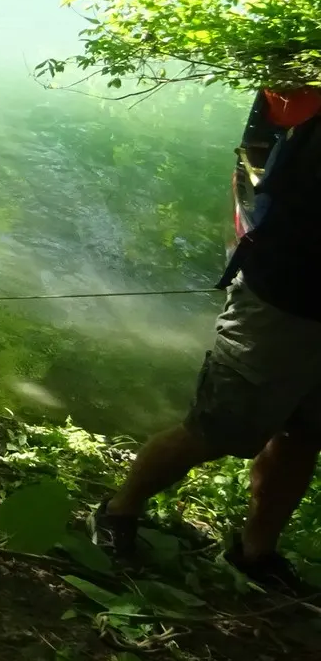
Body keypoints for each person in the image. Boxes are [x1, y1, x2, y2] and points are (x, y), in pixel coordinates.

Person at [95, 86, 321, 591]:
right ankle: (118, 509)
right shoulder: (307, 99)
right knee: (216, 428)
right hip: (282, 300)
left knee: (303, 438)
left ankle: (255, 552)